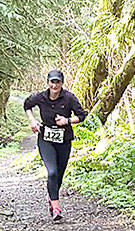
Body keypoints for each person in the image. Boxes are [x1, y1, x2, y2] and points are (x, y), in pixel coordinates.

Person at [23, 69, 87, 222]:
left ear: (62, 83)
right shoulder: (41, 97)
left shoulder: (69, 98)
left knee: (59, 174)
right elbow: (27, 105)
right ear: (48, 83)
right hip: (46, 139)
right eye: (52, 82)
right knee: (51, 172)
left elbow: (82, 115)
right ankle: (56, 208)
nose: (54, 85)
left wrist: (68, 121)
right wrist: (32, 120)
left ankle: (52, 200)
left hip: (64, 140)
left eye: (57, 82)